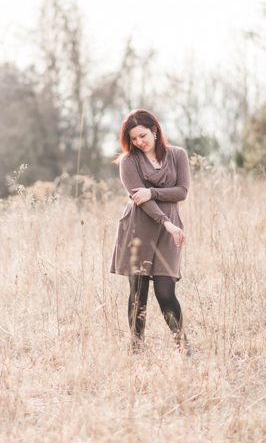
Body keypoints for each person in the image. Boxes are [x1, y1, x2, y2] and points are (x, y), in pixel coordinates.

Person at [110, 109, 192, 355]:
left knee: (166, 292)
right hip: (139, 229)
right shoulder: (129, 161)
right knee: (138, 293)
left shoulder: (178, 155)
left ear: (155, 130)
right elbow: (140, 200)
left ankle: (183, 346)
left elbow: (182, 191)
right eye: (133, 139)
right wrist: (165, 221)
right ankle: (136, 348)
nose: (139, 142)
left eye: (143, 135)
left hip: (169, 231)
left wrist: (153, 191)